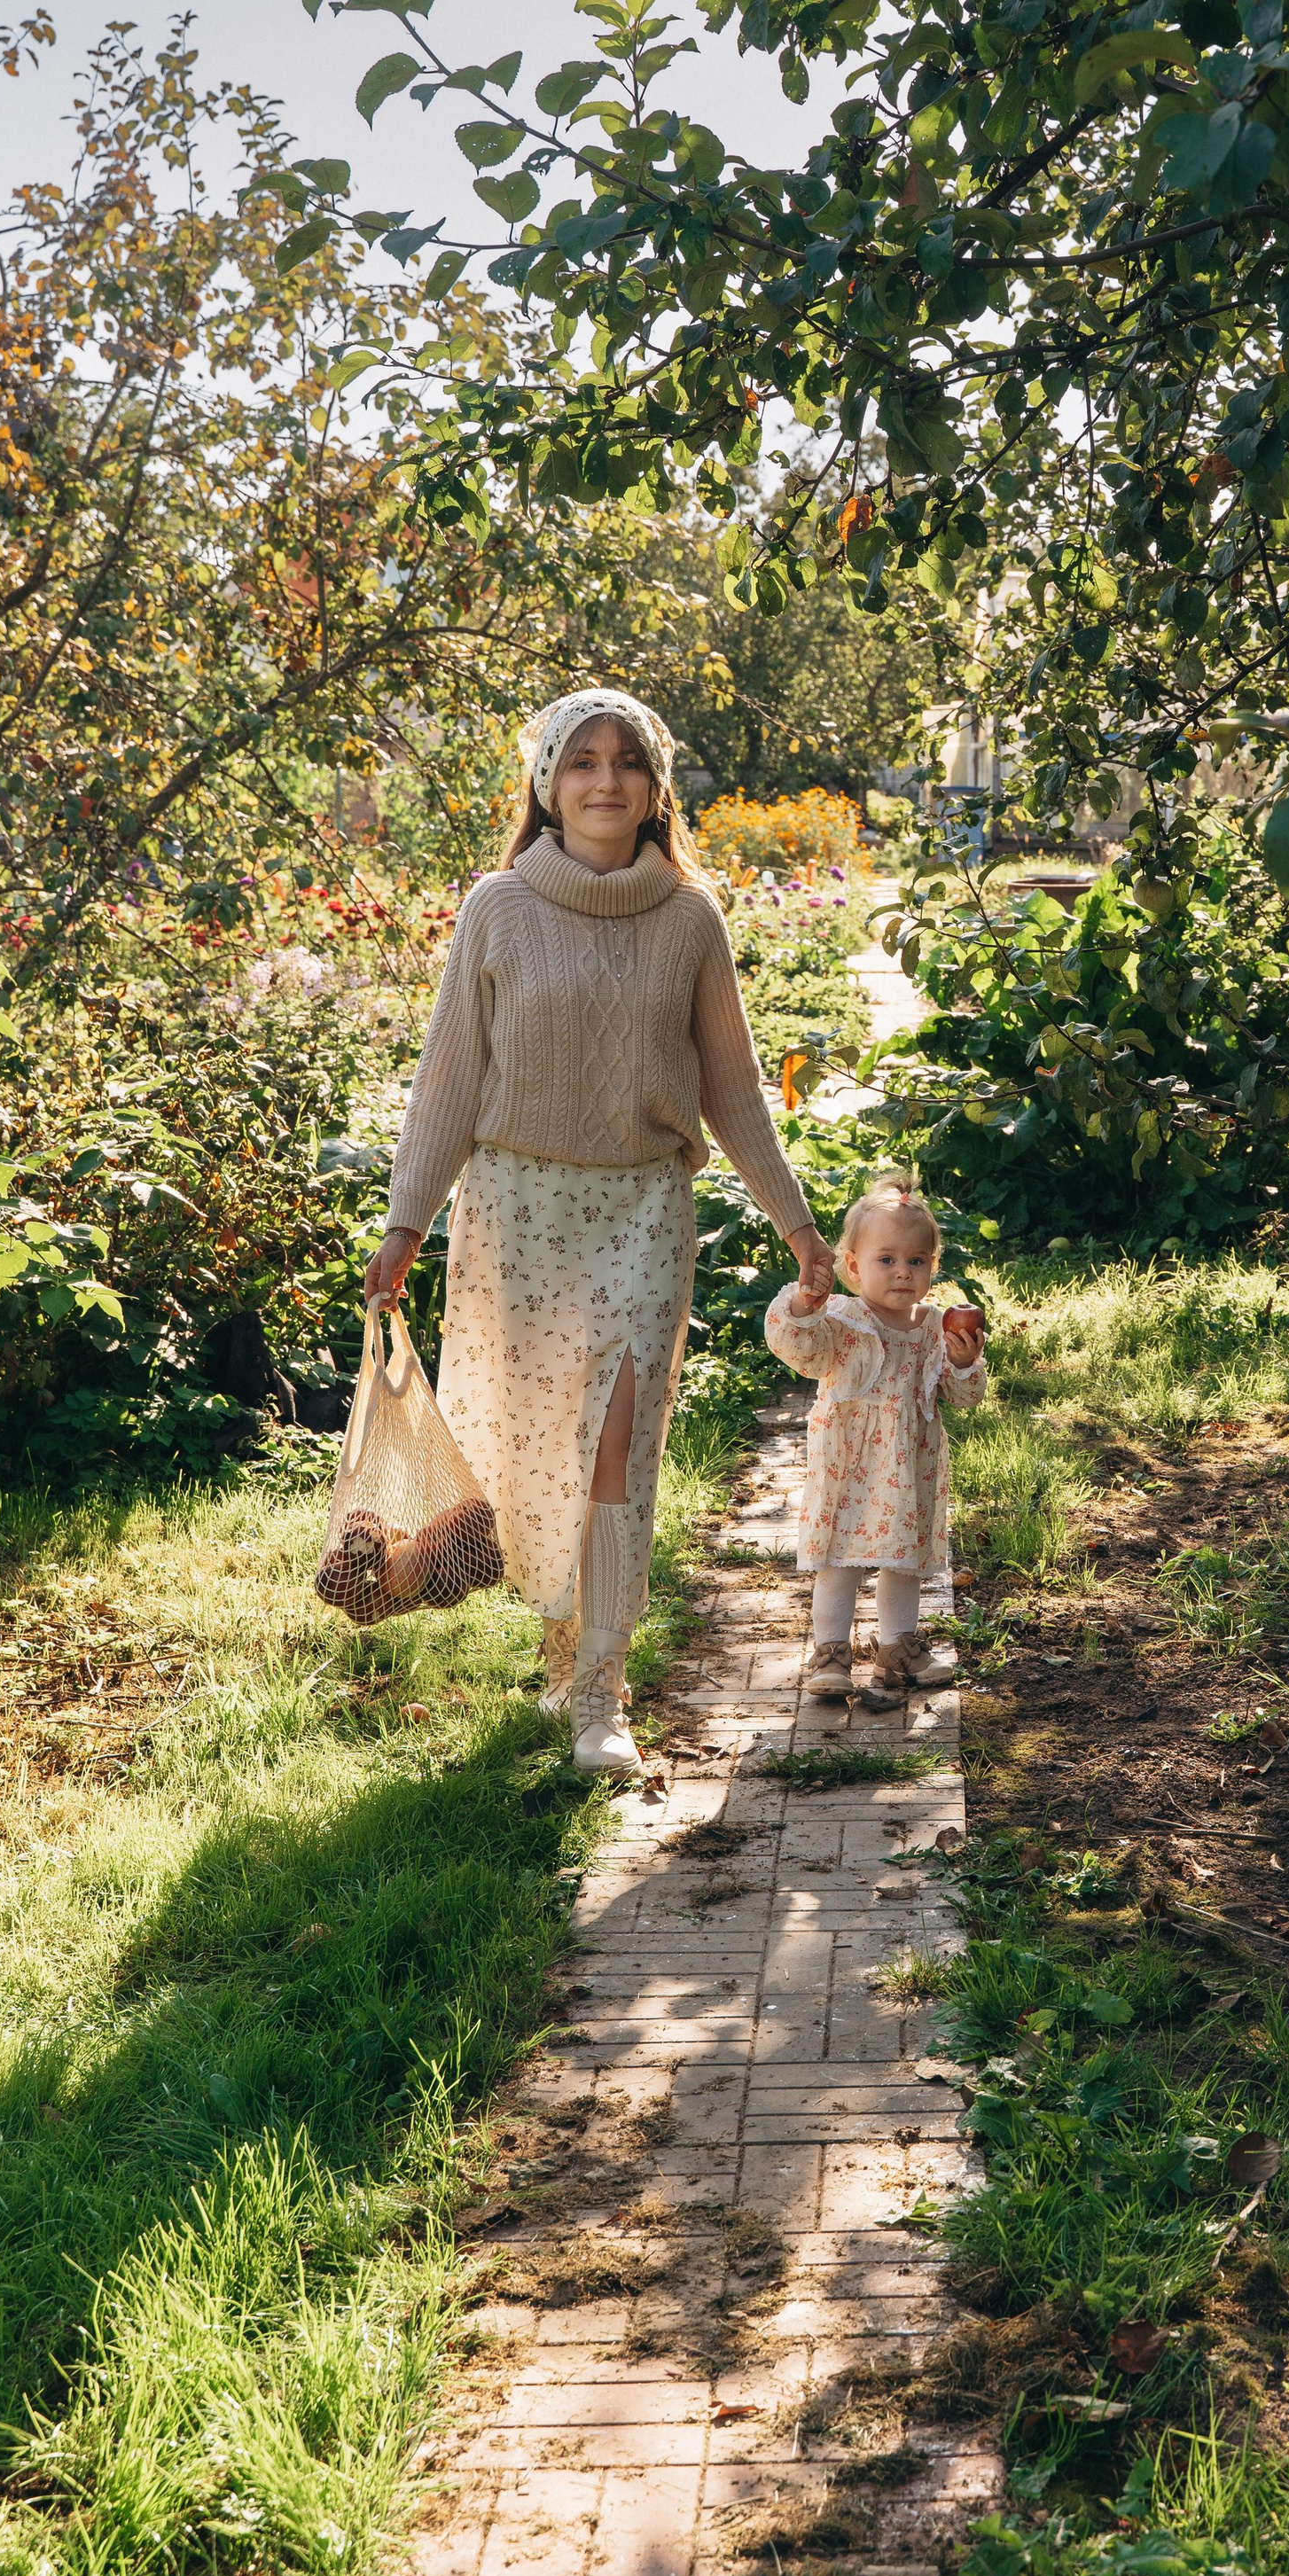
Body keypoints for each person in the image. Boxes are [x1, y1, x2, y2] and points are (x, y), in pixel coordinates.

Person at [363, 687, 834, 1779]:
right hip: (517, 1211)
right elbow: (447, 1081)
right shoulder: (498, 907)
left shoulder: (690, 921)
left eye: (627, 761)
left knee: (617, 1450)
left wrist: (800, 1226)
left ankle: (600, 1700)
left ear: (656, 786)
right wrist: (403, 1222)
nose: (605, 780)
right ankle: (557, 1652)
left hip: (641, 1215)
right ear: (546, 782)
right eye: (582, 761)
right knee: (531, 1455)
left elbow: (734, 1091)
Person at [764, 1172, 988, 1708]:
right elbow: (798, 1347)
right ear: (854, 1266)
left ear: (932, 1267)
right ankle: (832, 1653)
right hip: (848, 1461)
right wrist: (802, 1306)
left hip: (910, 1464)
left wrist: (963, 1363)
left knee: (902, 1561)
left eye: (916, 1261)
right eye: (886, 1260)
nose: (902, 1272)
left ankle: (898, 1647)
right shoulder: (844, 1318)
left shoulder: (937, 1325)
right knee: (839, 1560)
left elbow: (965, 1396)